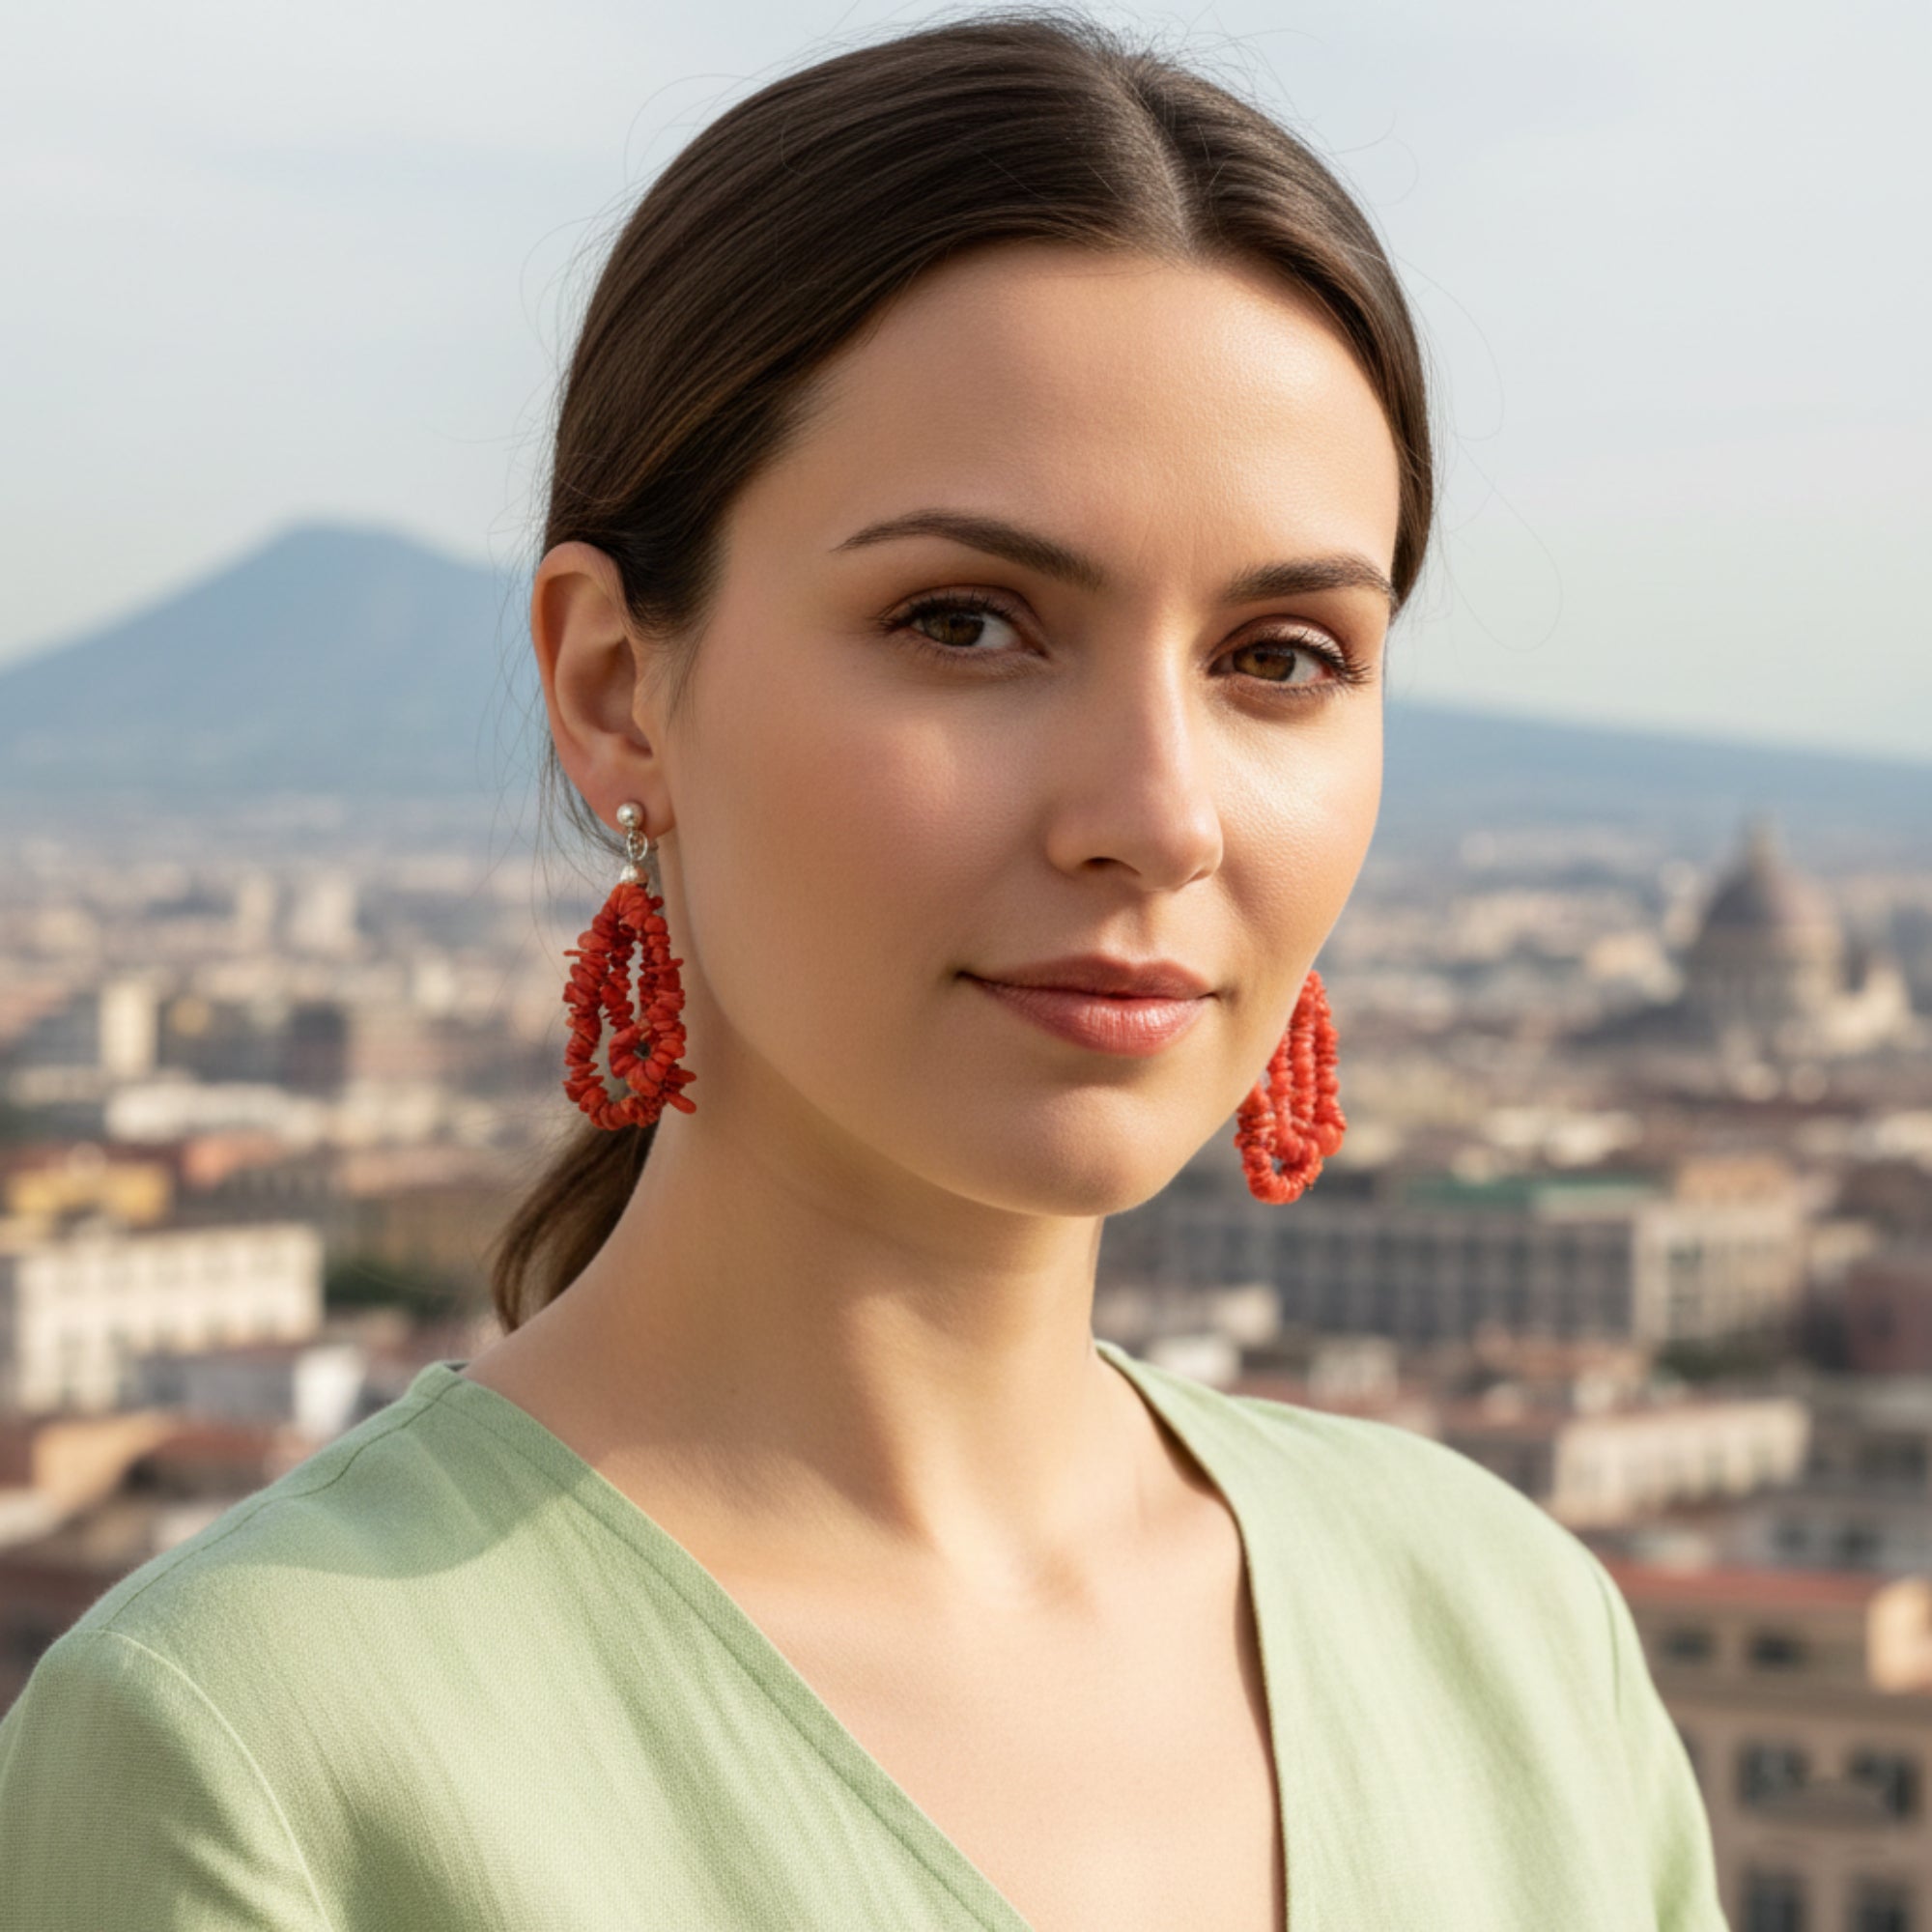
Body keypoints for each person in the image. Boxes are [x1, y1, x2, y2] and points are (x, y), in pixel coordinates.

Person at [0, 11, 1728, 1928]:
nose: (1157, 813)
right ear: (611, 685)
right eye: (966, 621)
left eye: (1282, 656)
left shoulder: (1508, 1644)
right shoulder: (248, 1751)